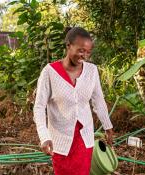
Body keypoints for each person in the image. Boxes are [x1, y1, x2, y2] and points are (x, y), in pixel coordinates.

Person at [33, 27, 114, 175]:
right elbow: (39, 107)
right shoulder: (50, 72)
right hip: (60, 140)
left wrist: (108, 127)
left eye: (88, 52)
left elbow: (98, 100)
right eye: (81, 50)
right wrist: (44, 136)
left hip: (84, 138)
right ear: (68, 45)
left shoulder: (92, 71)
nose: (85, 56)